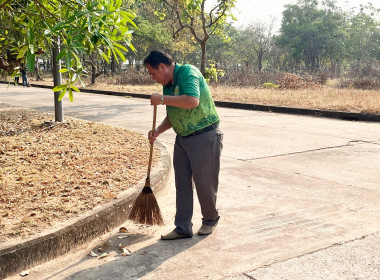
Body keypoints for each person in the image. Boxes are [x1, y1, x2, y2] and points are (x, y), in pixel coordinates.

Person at [144, 50, 223, 240]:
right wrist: (158, 131)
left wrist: (161, 99)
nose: (154, 78)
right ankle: (183, 226)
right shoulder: (168, 86)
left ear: (162, 66)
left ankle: (210, 220)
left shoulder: (188, 72)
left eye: (153, 73)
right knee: (182, 184)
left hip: (204, 136)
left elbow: (192, 101)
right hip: (183, 139)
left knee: (205, 182)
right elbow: (174, 114)